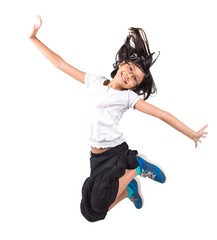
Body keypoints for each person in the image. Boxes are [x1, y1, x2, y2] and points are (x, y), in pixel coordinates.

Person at [29, 15, 208, 222]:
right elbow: (60, 64)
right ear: (122, 63)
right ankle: (129, 189)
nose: (129, 76)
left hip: (116, 153)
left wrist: (191, 134)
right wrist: (34, 38)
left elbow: (161, 114)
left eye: (135, 79)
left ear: (134, 87)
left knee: (99, 201)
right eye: (130, 69)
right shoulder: (95, 81)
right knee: (91, 212)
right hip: (97, 157)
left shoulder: (127, 97)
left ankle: (138, 165)